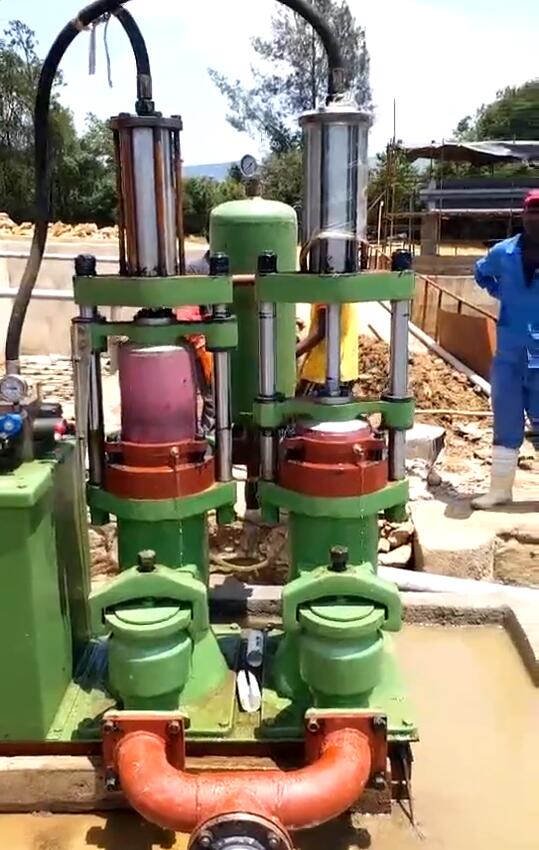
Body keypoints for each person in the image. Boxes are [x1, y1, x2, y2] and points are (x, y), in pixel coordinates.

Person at [471, 190, 539, 509]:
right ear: (524, 216)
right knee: (506, 418)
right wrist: (504, 293)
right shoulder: (504, 252)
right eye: (532, 212)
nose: (537, 219)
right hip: (510, 354)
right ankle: (500, 490)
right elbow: (481, 273)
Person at [176, 250, 215, 438]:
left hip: (209, 343)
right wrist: (199, 342)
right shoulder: (196, 269)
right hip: (205, 346)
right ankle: (208, 437)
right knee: (212, 399)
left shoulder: (196, 268)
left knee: (214, 399)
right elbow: (186, 315)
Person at [296, 302, 359, 396]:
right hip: (346, 371)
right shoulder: (346, 295)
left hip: (322, 373)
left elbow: (321, 331)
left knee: (302, 403)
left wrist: (290, 354)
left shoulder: (324, 294)